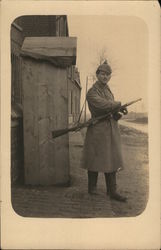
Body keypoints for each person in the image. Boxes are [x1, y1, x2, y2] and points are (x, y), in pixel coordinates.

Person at [82, 60, 127, 202]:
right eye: (102, 74)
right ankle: (92, 188)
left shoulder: (108, 90)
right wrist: (117, 104)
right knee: (94, 158)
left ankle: (112, 191)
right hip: (97, 129)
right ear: (97, 75)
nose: (105, 77)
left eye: (108, 75)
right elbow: (101, 105)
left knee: (111, 158)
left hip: (110, 129)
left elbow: (110, 109)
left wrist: (117, 113)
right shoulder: (92, 92)